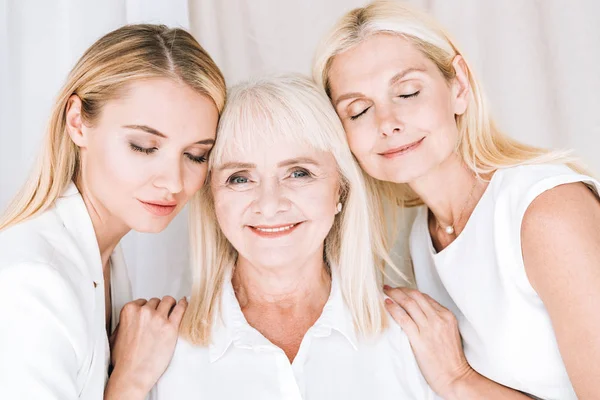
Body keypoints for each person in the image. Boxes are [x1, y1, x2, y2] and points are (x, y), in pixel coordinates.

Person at [313, 1, 600, 399]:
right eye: (358, 110)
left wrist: (456, 378)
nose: (387, 122)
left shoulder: (546, 211)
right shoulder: (421, 237)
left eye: (408, 92)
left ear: (459, 87)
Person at [151, 74, 436, 400]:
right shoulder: (160, 350)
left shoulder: (413, 337)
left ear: (340, 189)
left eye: (299, 173)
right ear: (212, 199)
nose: (269, 205)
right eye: (240, 178)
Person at [0, 24, 226, 399]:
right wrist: (130, 379)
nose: (173, 181)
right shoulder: (32, 283)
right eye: (143, 146)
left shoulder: (103, 255)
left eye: (195, 155)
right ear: (78, 122)